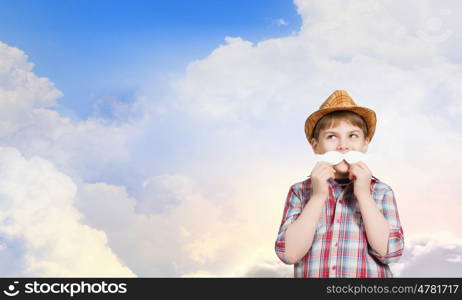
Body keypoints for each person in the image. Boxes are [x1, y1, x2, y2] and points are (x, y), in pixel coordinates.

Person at [274, 90, 404, 278]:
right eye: (331, 137)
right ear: (315, 145)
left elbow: (391, 252)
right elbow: (288, 254)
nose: (343, 146)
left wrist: (364, 195)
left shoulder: (381, 192)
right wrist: (318, 196)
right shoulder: (300, 192)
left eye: (352, 136)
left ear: (365, 143)